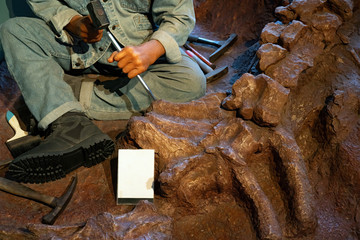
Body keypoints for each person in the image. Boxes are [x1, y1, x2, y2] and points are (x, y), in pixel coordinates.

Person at [0, 0, 206, 183]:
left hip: (140, 52)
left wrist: (151, 50)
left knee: (191, 82)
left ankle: (58, 96)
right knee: (14, 30)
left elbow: (178, 16)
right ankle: (70, 123)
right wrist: (73, 22)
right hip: (77, 50)